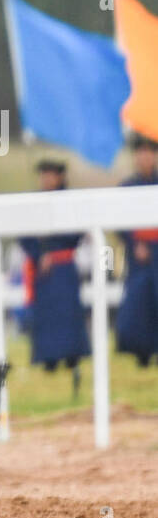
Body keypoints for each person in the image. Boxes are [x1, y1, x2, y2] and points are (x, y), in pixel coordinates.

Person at [17, 160, 89, 372]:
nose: (47, 179)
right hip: (44, 272)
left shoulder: (70, 201)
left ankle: (72, 356)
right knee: (46, 316)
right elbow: (25, 236)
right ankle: (48, 358)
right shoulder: (33, 202)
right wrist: (39, 255)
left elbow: (76, 233)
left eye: (51, 175)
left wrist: (55, 248)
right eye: (44, 175)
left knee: (68, 314)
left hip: (64, 268)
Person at [117, 134, 158, 366]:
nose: (145, 157)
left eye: (149, 152)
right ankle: (140, 352)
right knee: (138, 305)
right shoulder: (127, 187)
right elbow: (120, 224)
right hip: (139, 257)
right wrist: (135, 244)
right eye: (140, 152)